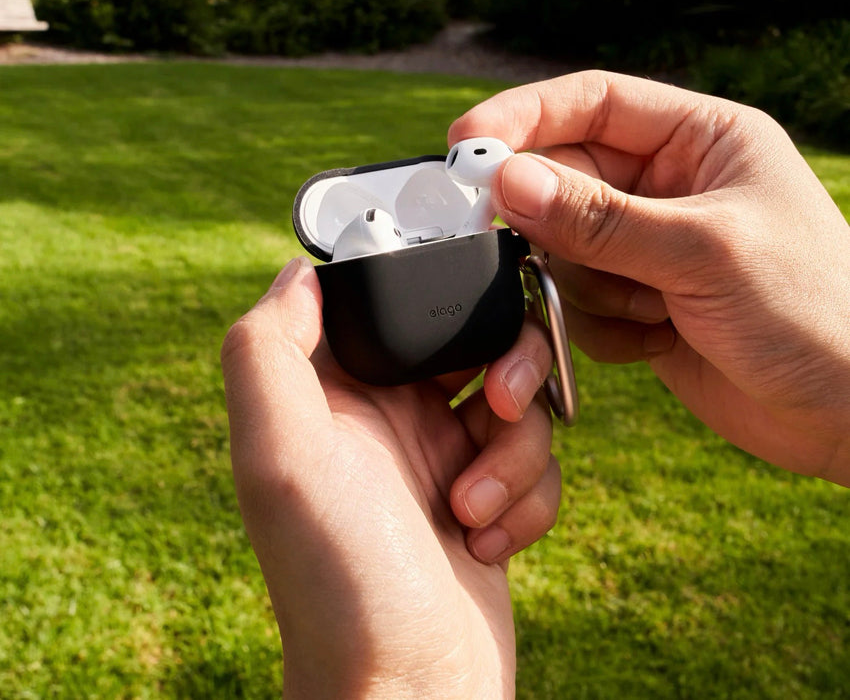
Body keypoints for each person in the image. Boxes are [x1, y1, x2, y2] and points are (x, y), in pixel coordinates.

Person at [221, 70, 850, 699]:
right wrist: (413, 678)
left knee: (512, 384)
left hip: (410, 330)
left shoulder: (489, 230)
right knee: (509, 388)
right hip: (392, 337)